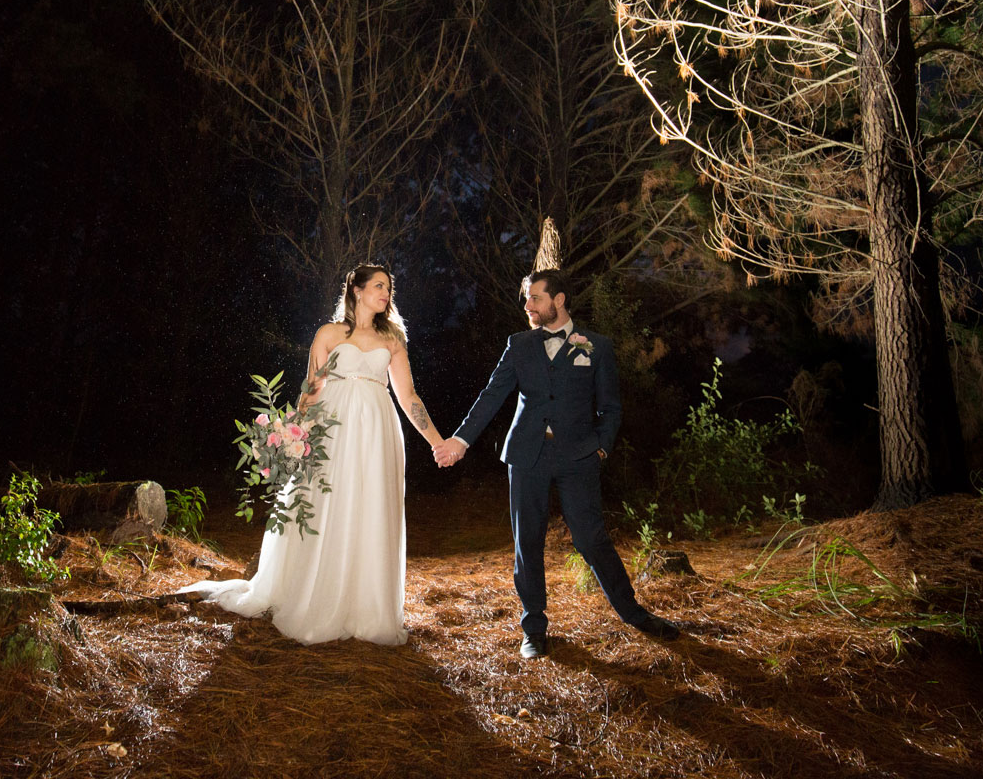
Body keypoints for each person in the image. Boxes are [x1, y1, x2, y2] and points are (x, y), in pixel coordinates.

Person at [179, 263, 448, 645]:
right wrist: (290, 436)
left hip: (377, 432)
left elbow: (408, 396)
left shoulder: (393, 339)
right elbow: (311, 392)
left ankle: (367, 607)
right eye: (378, 285)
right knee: (325, 503)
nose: (386, 293)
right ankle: (315, 597)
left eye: (389, 287)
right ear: (356, 290)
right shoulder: (328, 334)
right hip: (332, 432)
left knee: (371, 507)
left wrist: (436, 441)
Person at [440, 269, 680, 657]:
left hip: (579, 456)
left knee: (591, 538)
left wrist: (601, 447)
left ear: (559, 300)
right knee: (527, 543)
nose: (528, 306)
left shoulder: (595, 346)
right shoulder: (518, 344)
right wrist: (461, 439)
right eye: (526, 299)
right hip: (526, 455)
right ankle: (534, 629)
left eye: (535, 298)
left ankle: (634, 613)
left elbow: (611, 407)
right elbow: (491, 395)